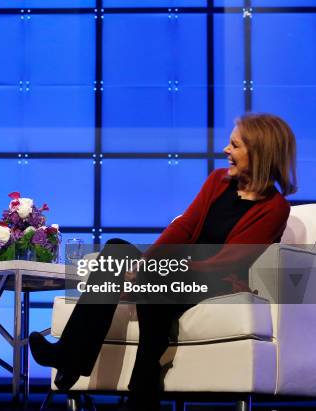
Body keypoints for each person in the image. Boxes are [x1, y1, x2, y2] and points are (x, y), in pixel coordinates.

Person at [29, 113, 298, 411]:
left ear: (259, 153)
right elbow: (182, 228)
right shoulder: (217, 181)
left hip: (216, 281)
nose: (225, 150)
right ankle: (78, 358)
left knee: (156, 277)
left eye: (234, 145)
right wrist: (144, 263)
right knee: (118, 250)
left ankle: (132, 375)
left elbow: (229, 262)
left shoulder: (275, 209)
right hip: (176, 274)